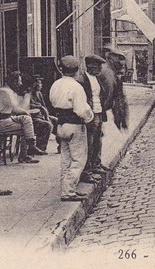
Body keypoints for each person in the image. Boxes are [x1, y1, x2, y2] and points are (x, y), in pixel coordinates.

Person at [50, 55, 94, 201]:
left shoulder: (55, 85)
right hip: (75, 125)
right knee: (79, 160)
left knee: (66, 159)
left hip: (61, 125)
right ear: (76, 70)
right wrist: (90, 118)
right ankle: (69, 191)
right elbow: (81, 110)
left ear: (61, 70)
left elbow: (51, 102)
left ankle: (66, 190)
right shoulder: (76, 87)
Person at [0, 71, 46, 163]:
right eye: (19, 81)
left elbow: (17, 108)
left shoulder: (8, 91)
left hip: (5, 119)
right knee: (26, 125)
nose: (20, 84)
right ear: (14, 81)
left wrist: (26, 113)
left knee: (26, 123)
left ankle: (29, 148)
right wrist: (27, 113)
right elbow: (16, 109)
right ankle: (27, 151)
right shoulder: (5, 92)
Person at [76, 55, 110, 183]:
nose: (100, 69)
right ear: (89, 66)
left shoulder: (97, 79)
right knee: (88, 143)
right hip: (90, 114)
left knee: (98, 140)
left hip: (99, 112)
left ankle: (96, 164)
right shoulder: (82, 80)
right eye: (97, 66)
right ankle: (87, 170)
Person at [22, 75, 56, 153]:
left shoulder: (39, 93)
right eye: (39, 83)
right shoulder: (27, 94)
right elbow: (25, 108)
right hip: (32, 118)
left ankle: (61, 145)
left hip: (41, 116)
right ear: (34, 84)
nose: (41, 85)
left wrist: (46, 115)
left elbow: (44, 106)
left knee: (56, 121)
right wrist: (39, 107)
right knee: (47, 125)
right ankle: (40, 148)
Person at [103, 47, 129, 131]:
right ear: (111, 58)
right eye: (119, 59)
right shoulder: (106, 73)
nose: (122, 63)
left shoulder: (113, 73)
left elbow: (120, 99)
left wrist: (122, 120)